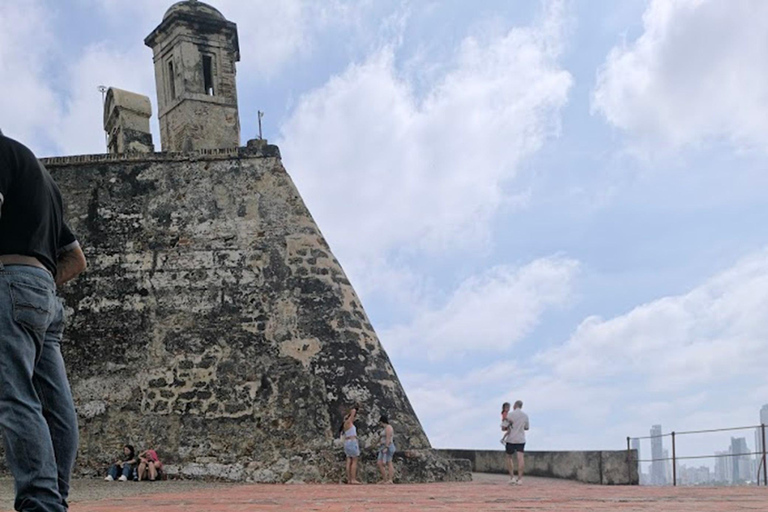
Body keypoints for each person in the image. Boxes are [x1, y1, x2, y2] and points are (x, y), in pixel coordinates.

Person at [0, 130, 87, 512]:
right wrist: (37, 288)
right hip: (44, 295)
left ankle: (41, 502)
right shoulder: (41, 177)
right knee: (55, 403)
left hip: (10, 280)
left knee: (14, 395)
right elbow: (76, 259)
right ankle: (55, 497)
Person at [505, 400, 530, 485]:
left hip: (511, 438)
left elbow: (504, 425)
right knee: (520, 458)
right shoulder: (525, 416)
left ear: (515, 405)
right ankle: (520, 479)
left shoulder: (510, 414)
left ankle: (512, 477)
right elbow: (527, 427)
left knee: (509, 457)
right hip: (520, 439)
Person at [341, 407, 361, 484]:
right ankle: (353, 478)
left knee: (349, 460)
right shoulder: (348, 423)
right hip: (352, 442)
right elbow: (353, 412)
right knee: (354, 460)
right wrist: (353, 410)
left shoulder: (345, 425)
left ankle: (349, 479)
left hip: (347, 442)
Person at [377, 414, 396, 484]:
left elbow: (388, 438)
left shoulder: (388, 428)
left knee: (389, 462)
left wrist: (386, 447)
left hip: (388, 446)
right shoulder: (384, 429)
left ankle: (390, 479)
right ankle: (384, 479)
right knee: (379, 463)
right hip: (382, 446)